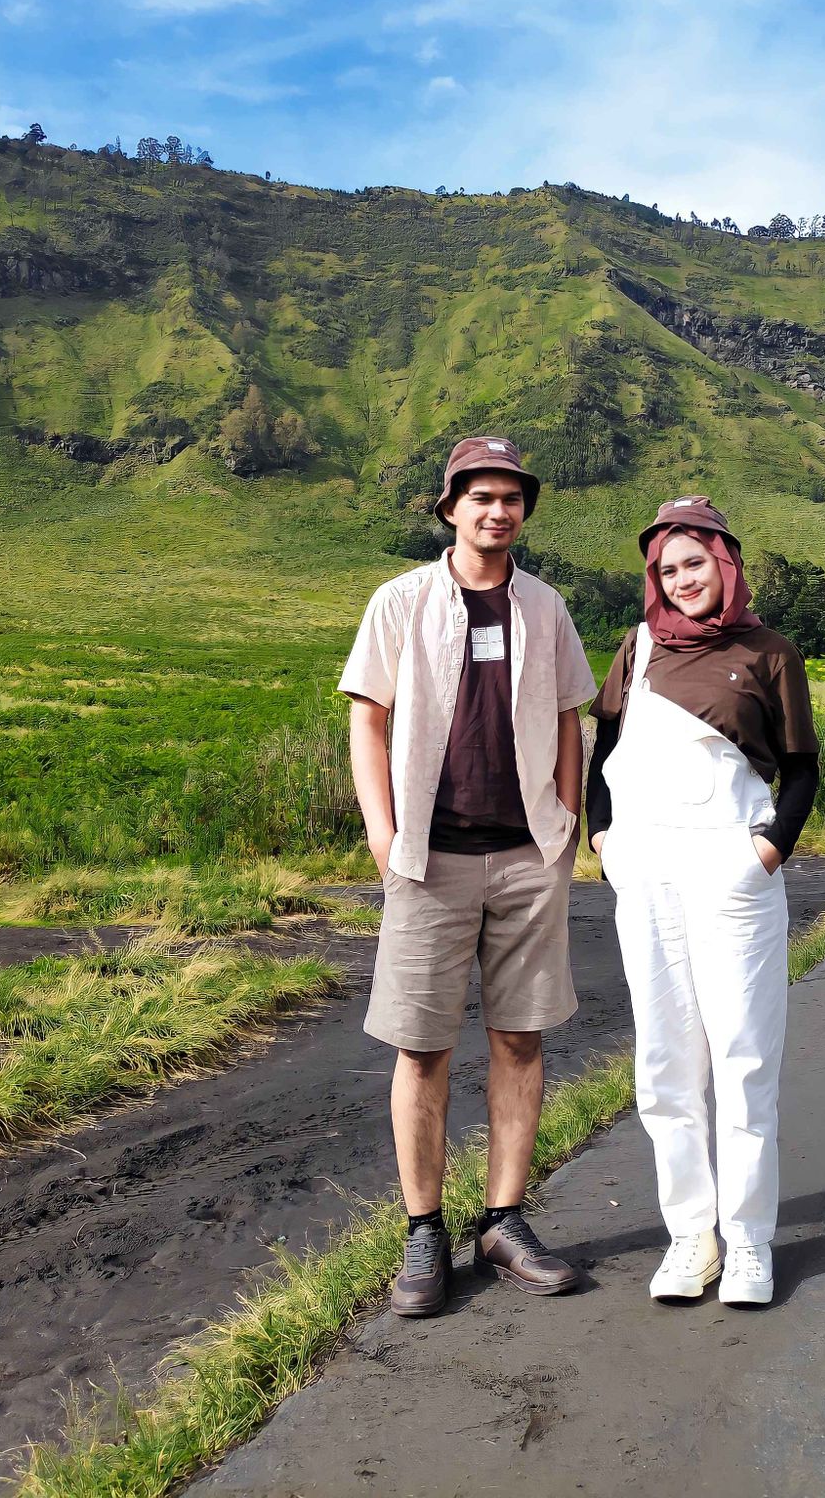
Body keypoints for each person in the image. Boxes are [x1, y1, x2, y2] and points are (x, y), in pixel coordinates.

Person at [341, 437, 599, 1318]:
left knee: (521, 1038)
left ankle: (503, 1221)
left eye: (511, 498)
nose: (498, 511)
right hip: (428, 858)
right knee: (423, 1046)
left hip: (527, 855)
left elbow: (569, 717)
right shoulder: (401, 601)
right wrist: (382, 834)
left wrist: (564, 823)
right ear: (450, 508)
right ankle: (425, 1231)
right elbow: (367, 718)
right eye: (481, 497)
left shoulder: (544, 606)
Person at [585, 496, 820, 1307]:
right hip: (647, 868)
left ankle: (749, 1242)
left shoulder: (770, 653)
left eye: (695, 563)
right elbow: (606, 747)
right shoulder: (639, 646)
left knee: (744, 1057)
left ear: (726, 563)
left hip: (731, 867)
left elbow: (802, 768)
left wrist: (768, 850)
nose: (682, 579)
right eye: (667, 569)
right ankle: (692, 1235)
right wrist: (604, 837)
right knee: (665, 1061)